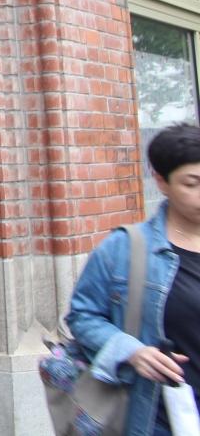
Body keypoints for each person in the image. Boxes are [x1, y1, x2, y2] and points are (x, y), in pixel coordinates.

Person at [67, 123, 200, 435]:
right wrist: (132, 351)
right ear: (161, 181)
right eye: (192, 183)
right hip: (161, 418)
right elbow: (83, 316)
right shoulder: (125, 248)